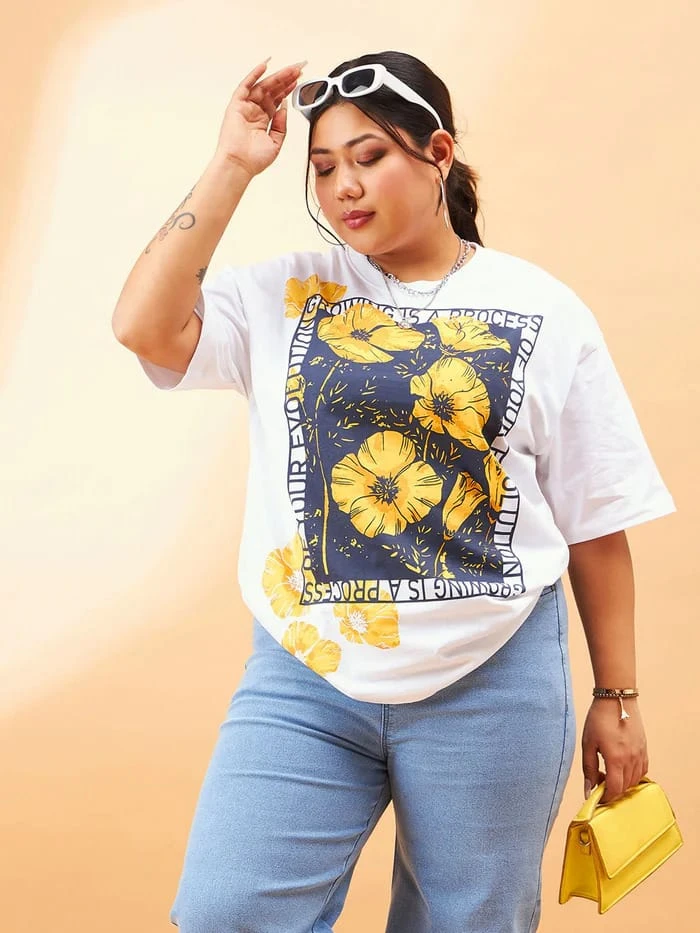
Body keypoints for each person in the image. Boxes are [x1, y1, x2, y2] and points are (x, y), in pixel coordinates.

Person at [112, 50, 675, 933]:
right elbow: (142, 325)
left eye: (369, 157)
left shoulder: (545, 309)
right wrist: (231, 164)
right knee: (227, 910)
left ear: (438, 152)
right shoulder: (285, 293)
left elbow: (596, 523)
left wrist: (619, 698)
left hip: (493, 678)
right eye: (323, 167)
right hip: (307, 674)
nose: (344, 185)